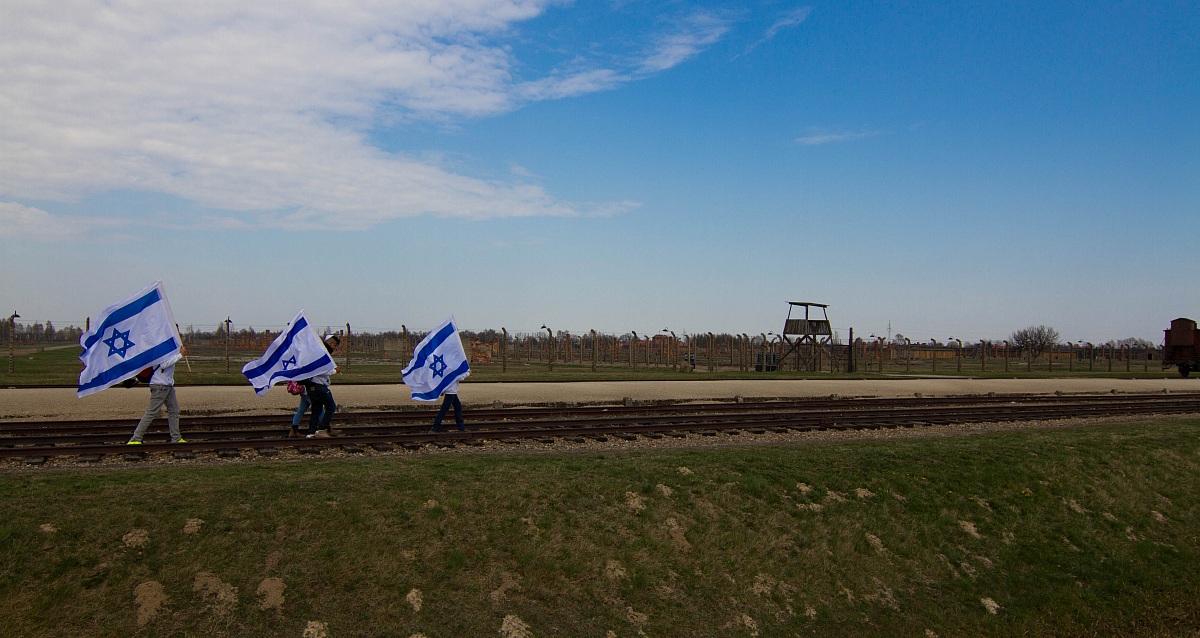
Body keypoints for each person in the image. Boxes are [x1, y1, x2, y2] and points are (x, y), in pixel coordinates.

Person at [127, 349, 187, 444]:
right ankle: (135, 439)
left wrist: (177, 353)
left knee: (174, 411)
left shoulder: (166, 350)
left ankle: (176, 438)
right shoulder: (161, 351)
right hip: (160, 386)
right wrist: (180, 355)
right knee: (151, 413)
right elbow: (164, 364)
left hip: (167, 385)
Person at [304, 335, 340, 438]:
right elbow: (321, 370)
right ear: (329, 343)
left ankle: (311, 432)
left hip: (311, 386)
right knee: (331, 407)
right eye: (334, 345)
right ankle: (321, 429)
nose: (334, 348)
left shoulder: (314, 353)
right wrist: (334, 371)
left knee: (316, 410)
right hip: (319, 385)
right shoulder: (322, 354)